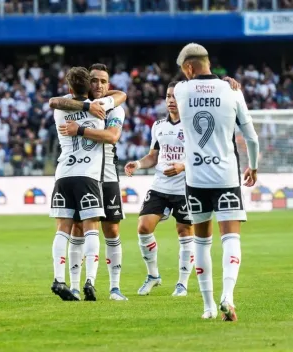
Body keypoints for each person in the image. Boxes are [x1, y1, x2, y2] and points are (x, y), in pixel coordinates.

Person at [174, 43, 259, 321]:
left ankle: (208, 307)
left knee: (201, 242)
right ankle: (228, 297)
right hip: (225, 176)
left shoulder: (180, 90)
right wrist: (253, 166)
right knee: (230, 238)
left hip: (195, 178)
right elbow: (252, 137)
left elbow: (193, 86)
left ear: (188, 68)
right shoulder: (232, 90)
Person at [50, 63, 128, 300]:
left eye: (104, 82)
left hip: (106, 175)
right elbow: (56, 101)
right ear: (87, 83)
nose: (99, 85)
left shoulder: (112, 107)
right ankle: (75, 284)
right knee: (77, 229)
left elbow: (113, 136)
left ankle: (114, 287)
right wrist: (86, 107)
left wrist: (80, 129)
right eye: (94, 81)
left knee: (112, 230)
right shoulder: (73, 101)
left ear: (108, 85)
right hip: (86, 173)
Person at [124, 81, 194, 297]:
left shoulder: (194, 125)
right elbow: (153, 156)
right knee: (143, 227)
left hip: (185, 189)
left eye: (175, 96)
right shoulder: (158, 126)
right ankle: (153, 275)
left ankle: (182, 283)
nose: (171, 100)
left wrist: (183, 166)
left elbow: (202, 157)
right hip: (160, 186)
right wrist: (137, 164)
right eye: (168, 96)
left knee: (184, 232)